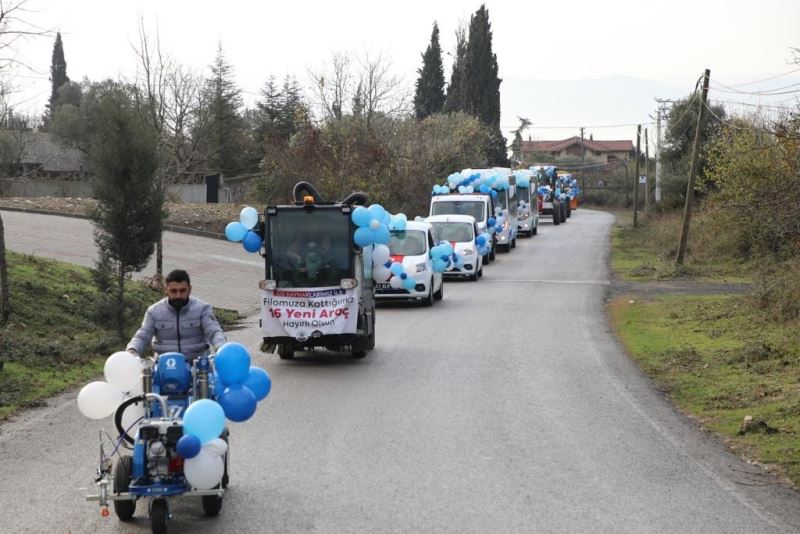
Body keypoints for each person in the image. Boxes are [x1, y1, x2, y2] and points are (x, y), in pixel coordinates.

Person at [127, 269, 226, 360]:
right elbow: (142, 336)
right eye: (173, 291)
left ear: (189, 289)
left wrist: (221, 348)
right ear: (166, 290)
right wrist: (132, 350)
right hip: (163, 366)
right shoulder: (154, 311)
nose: (178, 295)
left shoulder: (202, 309)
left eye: (182, 291)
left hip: (197, 367)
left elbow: (215, 332)